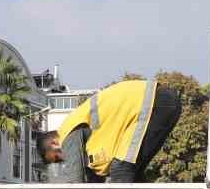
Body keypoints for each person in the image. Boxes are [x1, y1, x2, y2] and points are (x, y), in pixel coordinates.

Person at [45, 78, 183, 182]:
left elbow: (76, 182)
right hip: (159, 103)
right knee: (132, 171)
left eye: (57, 158)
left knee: (121, 169)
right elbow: (93, 179)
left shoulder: (66, 134)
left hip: (152, 103)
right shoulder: (80, 129)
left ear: (53, 144)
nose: (62, 160)